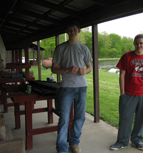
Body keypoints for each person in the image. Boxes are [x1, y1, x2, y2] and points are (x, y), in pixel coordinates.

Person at [51, 21, 92, 153]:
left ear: (78, 31)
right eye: (70, 30)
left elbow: (89, 67)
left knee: (80, 117)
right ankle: (61, 148)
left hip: (82, 87)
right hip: (67, 87)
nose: (72, 32)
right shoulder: (60, 48)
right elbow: (54, 69)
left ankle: (74, 143)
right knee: (64, 118)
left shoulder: (84, 48)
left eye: (74, 29)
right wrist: (67, 70)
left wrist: (84, 71)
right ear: (67, 32)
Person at [110, 34, 143, 151]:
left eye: (141, 43)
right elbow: (122, 75)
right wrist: (122, 93)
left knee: (140, 119)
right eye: (137, 43)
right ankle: (122, 141)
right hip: (129, 93)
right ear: (134, 44)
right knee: (125, 118)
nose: (139, 45)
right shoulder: (126, 56)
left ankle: (137, 140)